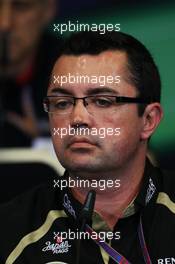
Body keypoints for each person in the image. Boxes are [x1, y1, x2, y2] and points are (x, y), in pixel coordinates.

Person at [0, 30, 175, 264]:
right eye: (62, 103)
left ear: (148, 120)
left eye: (102, 101)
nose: (78, 118)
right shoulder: (8, 231)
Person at [0, 0, 61, 147]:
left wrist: (44, 142)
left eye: (21, 6)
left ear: (48, 10)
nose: (4, 24)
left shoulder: (78, 70)